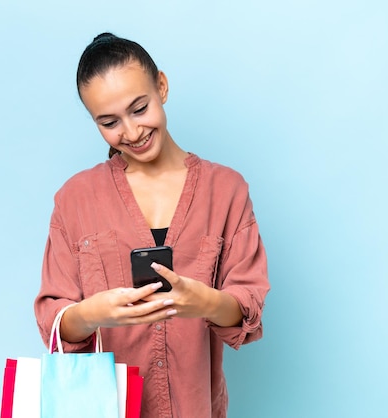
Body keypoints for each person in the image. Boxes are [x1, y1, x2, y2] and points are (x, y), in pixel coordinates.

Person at [34, 32, 270, 418]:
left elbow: (247, 314)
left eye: (139, 108)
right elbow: (53, 323)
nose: (130, 132)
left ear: (161, 86)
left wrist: (204, 302)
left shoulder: (226, 190)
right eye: (109, 122)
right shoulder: (74, 199)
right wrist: (93, 313)